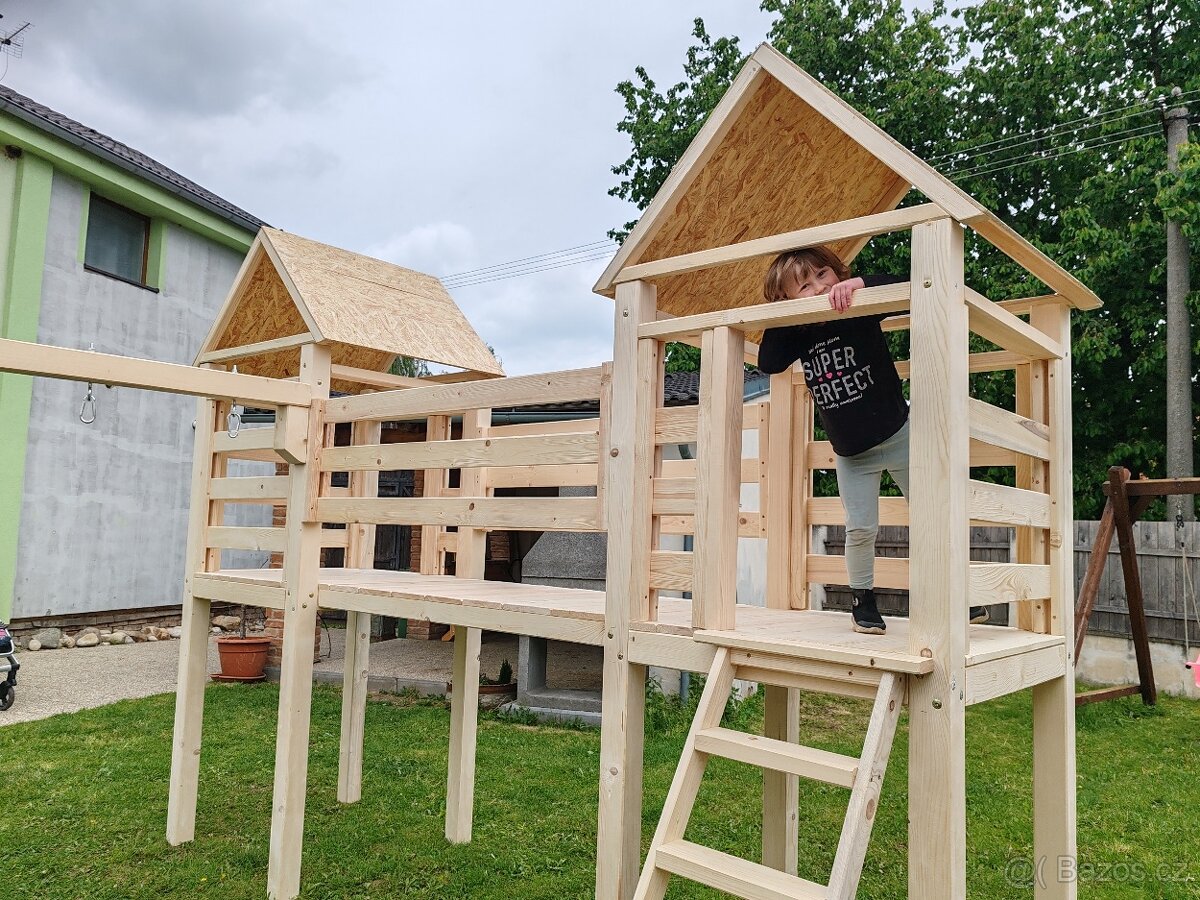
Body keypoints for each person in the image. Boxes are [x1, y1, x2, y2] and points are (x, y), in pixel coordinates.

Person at [757, 245, 987, 634]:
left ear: (837, 274)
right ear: (788, 301)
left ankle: (957, 595)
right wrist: (787, 314)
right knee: (861, 528)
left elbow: (911, 285)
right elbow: (769, 362)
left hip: (900, 435)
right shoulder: (798, 333)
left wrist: (860, 285)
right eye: (804, 286)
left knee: (933, 513)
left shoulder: (857, 308)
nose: (819, 288)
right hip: (853, 455)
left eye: (823, 275)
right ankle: (862, 601)